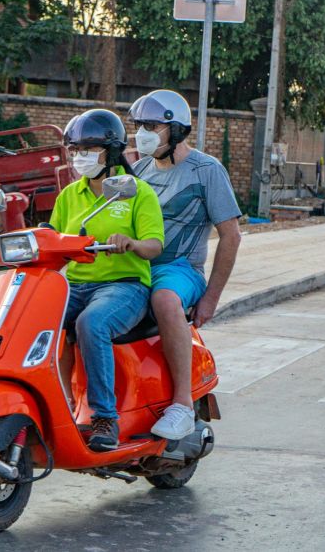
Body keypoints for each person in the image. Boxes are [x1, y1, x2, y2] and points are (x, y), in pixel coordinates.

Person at [128, 90, 243, 440]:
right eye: (140, 126)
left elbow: (231, 236)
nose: (142, 134)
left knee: (164, 300)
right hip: (136, 265)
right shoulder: (138, 169)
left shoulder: (207, 170)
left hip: (180, 270)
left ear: (176, 130)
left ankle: (181, 405)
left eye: (151, 126)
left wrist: (210, 299)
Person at [51, 109, 165, 451]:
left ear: (112, 151)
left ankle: (104, 418)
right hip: (75, 285)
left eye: (88, 149)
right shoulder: (69, 195)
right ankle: (58, 404)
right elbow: (52, 239)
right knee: (35, 319)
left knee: (91, 323)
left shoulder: (136, 192)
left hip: (124, 286)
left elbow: (155, 245)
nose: (79, 157)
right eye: (75, 149)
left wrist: (130, 243)